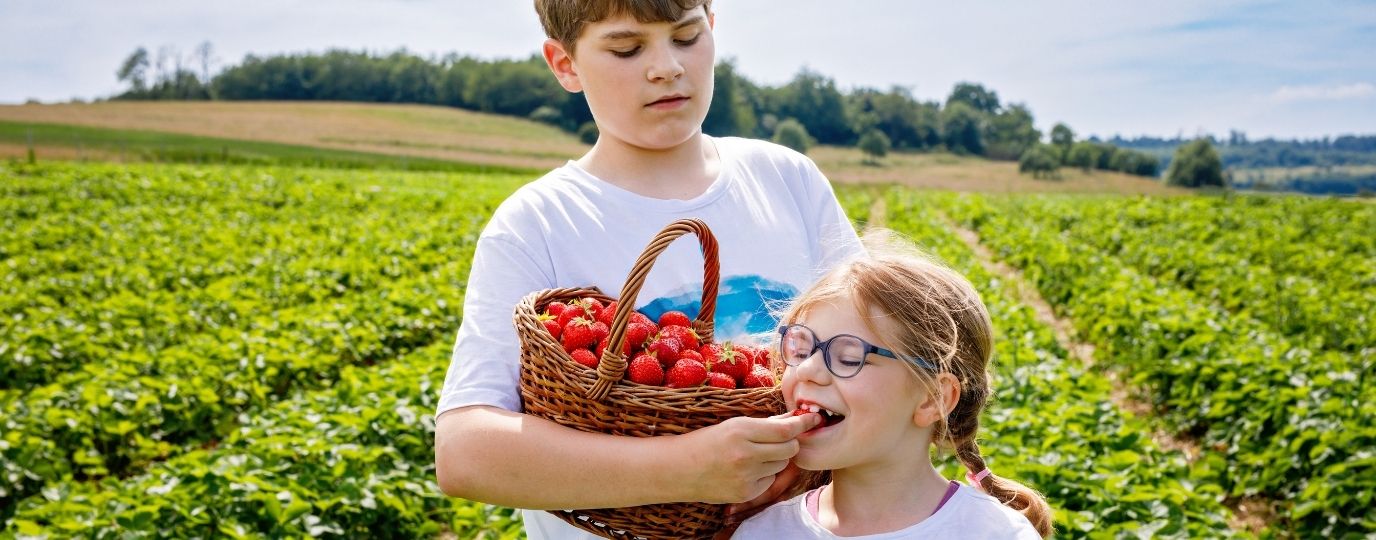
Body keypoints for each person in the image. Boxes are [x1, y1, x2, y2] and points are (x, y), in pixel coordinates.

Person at [433, 1, 864, 538]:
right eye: (626, 48)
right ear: (565, 64)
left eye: (686, 37)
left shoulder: (787, 180)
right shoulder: (539, 223)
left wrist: (806, 454)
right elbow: (466, 452)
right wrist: (686, 468)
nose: (666, 66)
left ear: (713, 28)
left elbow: (877, 364)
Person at [733, 231, 1053, 539]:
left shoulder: (994, 533)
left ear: (932, 398)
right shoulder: (763, 532)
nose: (807, 369)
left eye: (848, 357)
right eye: (801, 349)